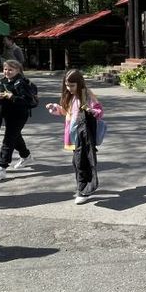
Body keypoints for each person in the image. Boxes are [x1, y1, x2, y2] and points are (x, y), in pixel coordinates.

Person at [46, 69, 103, 205]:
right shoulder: (70, 96)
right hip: (73, 136)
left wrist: (91, 110)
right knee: (77, 162)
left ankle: (83, 190)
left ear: (79, 83)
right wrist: (55, 108)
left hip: (84, 135)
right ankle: (85, 187)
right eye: (67, 85)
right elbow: (66, 112)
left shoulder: (87, 95)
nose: (69, 88)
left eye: (72, 85)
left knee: (81, 162)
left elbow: (100, 111)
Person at [0, 59, 39, 179]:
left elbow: (29, 102)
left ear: (18, 70)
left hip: (19, 115)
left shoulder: (22, 83)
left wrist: (13, 97)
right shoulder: (1, 81)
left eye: (10, 70)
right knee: (15, 136)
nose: (7, 72)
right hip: (7, 114)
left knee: (8, 139)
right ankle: (26, 156)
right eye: (5, 69)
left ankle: (1, 167)